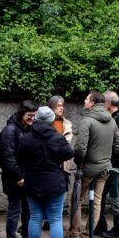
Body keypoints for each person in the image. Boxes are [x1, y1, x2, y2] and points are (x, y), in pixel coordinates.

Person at [63, 91, 119, 238]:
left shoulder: (87, 121)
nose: (84, 100)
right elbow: (118, 147)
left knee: (76, 199)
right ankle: (87, 236)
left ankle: (74, 236)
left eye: (86, 99)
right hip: (105, 168)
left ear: (92, 103)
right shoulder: (112, 121)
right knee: (96, 201)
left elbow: (80, 149)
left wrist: (79, 163)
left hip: (88, 168)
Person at [18, 106, 75, 238]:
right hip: (54, 183)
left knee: (35, 217)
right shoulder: (58, 138)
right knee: (55, 218)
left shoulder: (26, 138)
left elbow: (20, 157)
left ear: (36, 119)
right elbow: (69, 153)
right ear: (52, 120)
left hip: (32, 183)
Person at [0, 100, 37, 238]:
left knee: (28, 209)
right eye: (29, 115)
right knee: (14, 210)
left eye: (34, 115)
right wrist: (19, 176)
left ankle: (26, 237)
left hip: (28, 175)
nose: (32, 118)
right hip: (13, 177)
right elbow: (8, 157)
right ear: (22, 114)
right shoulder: (10, 130)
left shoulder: (30, 128)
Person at [94, 91, 119, 238]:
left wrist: (114, 167)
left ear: (108, 103)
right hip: (112, 166)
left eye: (103, 102)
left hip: (116, 167)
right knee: (103, 196)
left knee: (116, 197)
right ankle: (100, 225)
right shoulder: (114, 118)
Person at [45, 96, 73, 230]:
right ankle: (46, 219)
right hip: (47, 163)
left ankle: (54, 220)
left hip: (62, 165)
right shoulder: (45, 123)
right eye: (58, 106)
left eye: (62, 105)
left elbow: (67, 143)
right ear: (51, 107)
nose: (61, 108)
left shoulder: (67, 123)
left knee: (60, 194)